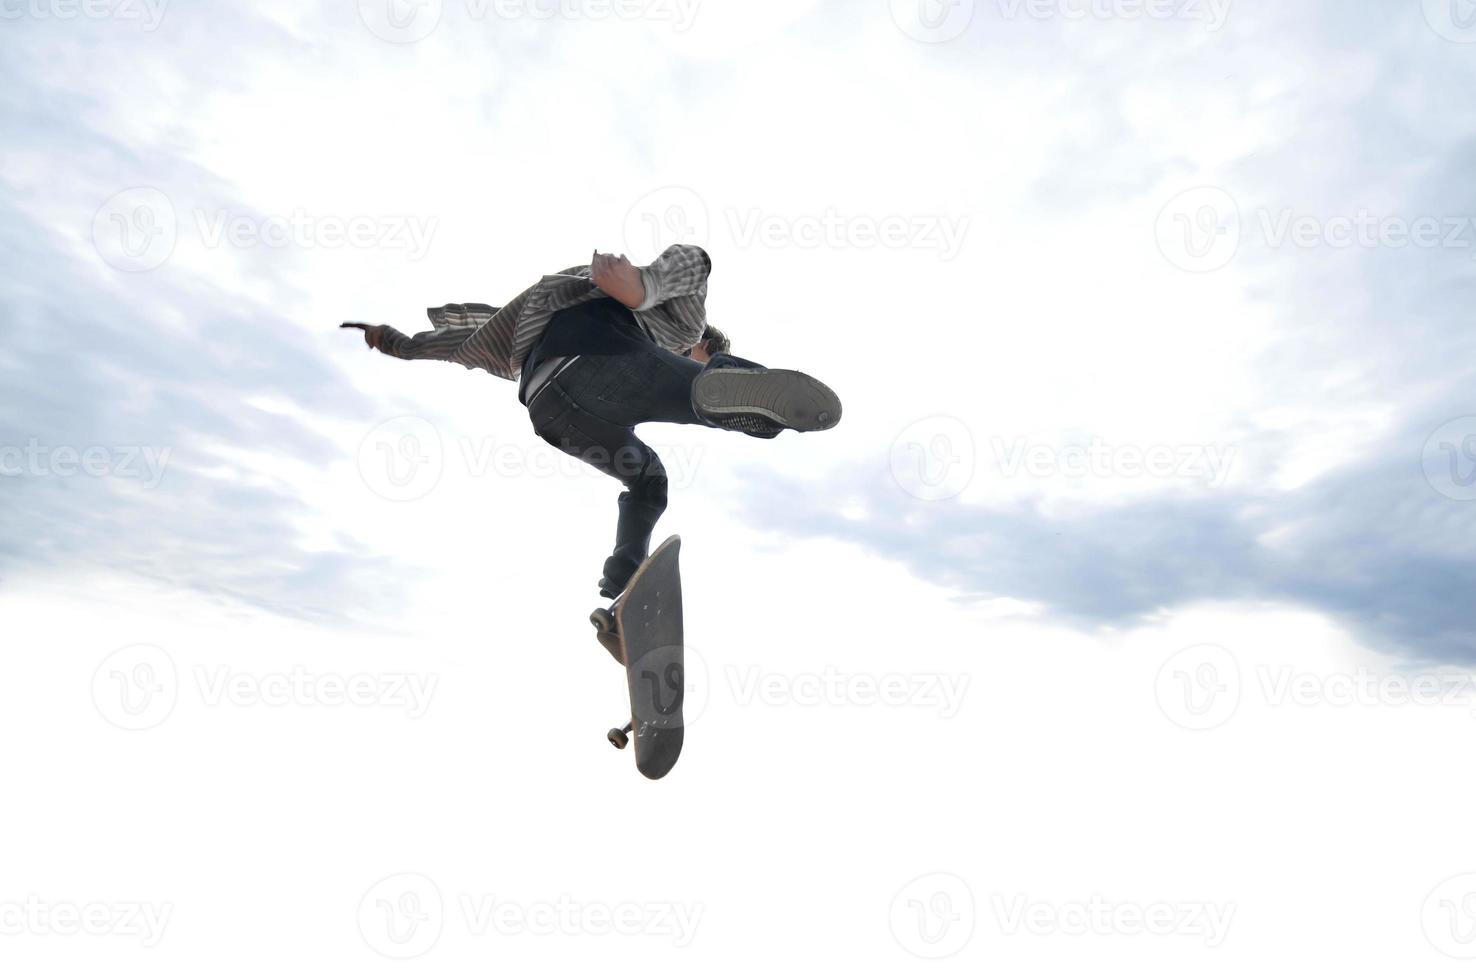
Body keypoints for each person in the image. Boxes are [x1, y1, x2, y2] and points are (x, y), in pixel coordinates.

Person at [341, 245, 841, 598]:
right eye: (702, 355)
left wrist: (397, 343)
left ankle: (624, 579)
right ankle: (715, 391)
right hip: (603, 359)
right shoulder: (682, 324)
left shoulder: (538, 316)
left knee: (649, 480)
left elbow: (467, 340)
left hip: (553, 407)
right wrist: (643, 287)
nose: (694, 353)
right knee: (699, 386)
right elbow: (695, 261)